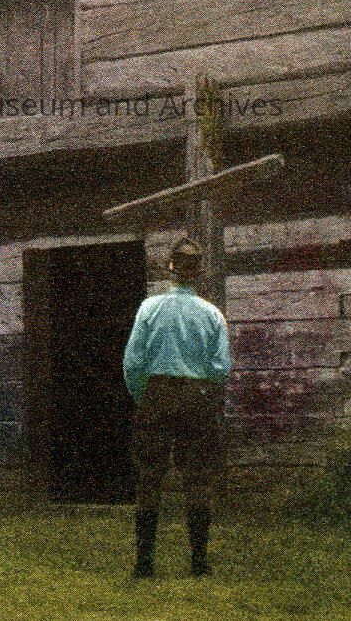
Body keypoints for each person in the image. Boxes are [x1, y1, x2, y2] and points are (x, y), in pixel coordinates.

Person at [121, 236, 231, 578]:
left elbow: (133, 362)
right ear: (198, 273)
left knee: (149, 477)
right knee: (197, 478)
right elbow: (221, 368)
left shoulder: (149, 308)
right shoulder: (212, 314)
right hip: (196, 397)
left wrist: (144, 396)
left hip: (157, 394)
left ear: (171, 269)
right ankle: (199, 562)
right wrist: (201, 386)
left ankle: (144, 564)